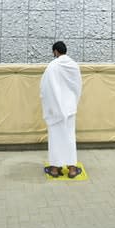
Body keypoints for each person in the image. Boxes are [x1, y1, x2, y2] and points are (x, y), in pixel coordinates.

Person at [40, 41, 83, 178]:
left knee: (55, 138)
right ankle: (72, 169)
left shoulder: (52, 66)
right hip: (69, 108)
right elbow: (78, 86)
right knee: (69, 137)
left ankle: (54, 169)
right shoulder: (74, 66)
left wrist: (51, 105)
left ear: (55, 52)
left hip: (55, 110)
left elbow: (45, 88)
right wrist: (72, 101)